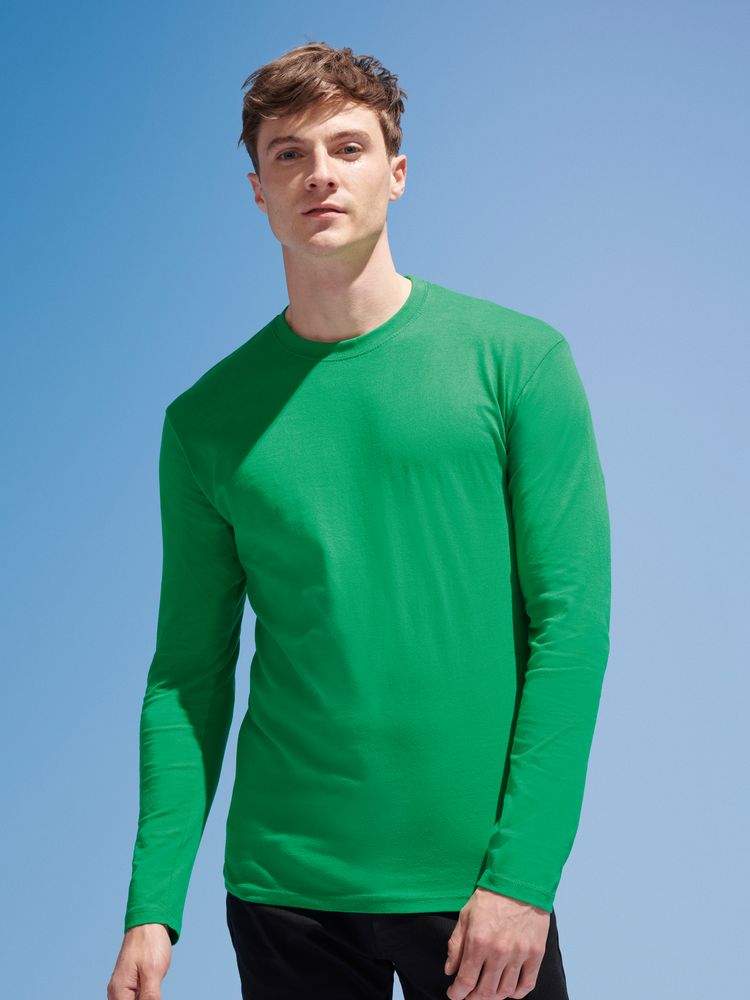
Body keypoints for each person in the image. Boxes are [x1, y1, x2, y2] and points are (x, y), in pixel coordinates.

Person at [107, 40, 611, 1000]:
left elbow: (571, 631)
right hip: (284, 893)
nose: (320, 174)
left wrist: (523, 876)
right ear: (258, 191)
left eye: (347, 147)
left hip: (476, 889)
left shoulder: (518, 363)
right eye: (289, 153)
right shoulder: (205, 422)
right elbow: (186, 676)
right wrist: (151, 903)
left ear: (397, 172)